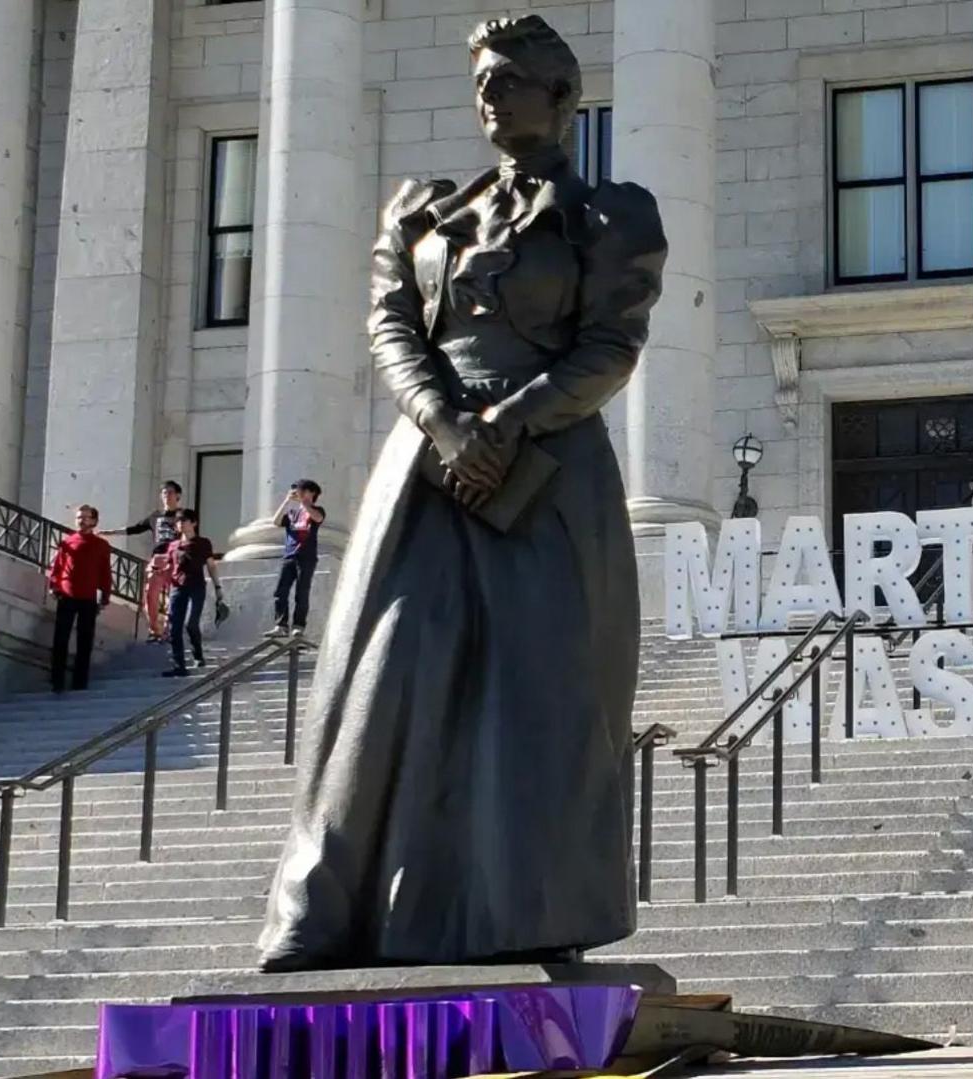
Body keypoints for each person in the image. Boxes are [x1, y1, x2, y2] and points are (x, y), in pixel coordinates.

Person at [258, 15, 665, 971]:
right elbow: (392, 325)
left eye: (512, 81)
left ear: (564, 98)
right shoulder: (426, 212)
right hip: (428, 469)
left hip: (549, 475)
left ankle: (531, 913)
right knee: (386, 674)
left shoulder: (616, 214)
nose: (491, 96)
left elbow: (612, 347)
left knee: (541, 692)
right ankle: (331, 912)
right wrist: (449, 428)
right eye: (484, 81)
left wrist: (509, 423)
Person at [102, 480, 182, 643]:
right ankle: (155, 630)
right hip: (158, 558)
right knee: (150, 595)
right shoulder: (155, 516)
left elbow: (190, 537)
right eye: (164, 493)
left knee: (174, 597)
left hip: (175, 559)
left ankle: (169, 630)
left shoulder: (183, 516)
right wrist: (111, 532)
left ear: (178, 496)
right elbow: (135, 528)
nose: (167, 496)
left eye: (171, 493)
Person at [46, 505, 113, 692]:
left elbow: (105, 572)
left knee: (85, 641)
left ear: (94, 521)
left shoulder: (101, 545)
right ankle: (56, 680)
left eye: (85, 517)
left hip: (88, 598)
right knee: (60, 639)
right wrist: (54, 585)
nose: (81, 521)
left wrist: (105, 595)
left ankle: (79, 682)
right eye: (78, 517)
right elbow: (57, 567)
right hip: (66, 596)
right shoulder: (67, 542)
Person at [162, 509, 222, 678]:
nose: (181, 524)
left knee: (191, 623)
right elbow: (169, 569)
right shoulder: (173, 546)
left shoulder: (203, 543)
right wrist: (165, 593)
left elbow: (211, 565)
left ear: (194, 523)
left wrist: (218, 587)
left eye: (185, 520)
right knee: (175, 627)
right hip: (177, 587)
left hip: (196, 586)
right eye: (179, 521)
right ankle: (178, 665)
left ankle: (198, 654)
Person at [270, 480, 326, 636]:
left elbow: (318, 518)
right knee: (280, 591)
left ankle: (298, 626)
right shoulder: (292, 514)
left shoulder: (317, 510)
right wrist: (287, 501)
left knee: (302, 592)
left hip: (306, 557)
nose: (299, 493)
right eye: (297, 490)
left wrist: (304, 504)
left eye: (303, 490)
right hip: (289, 556)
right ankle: (281, 625)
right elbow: (275, 521)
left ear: (312, 493)